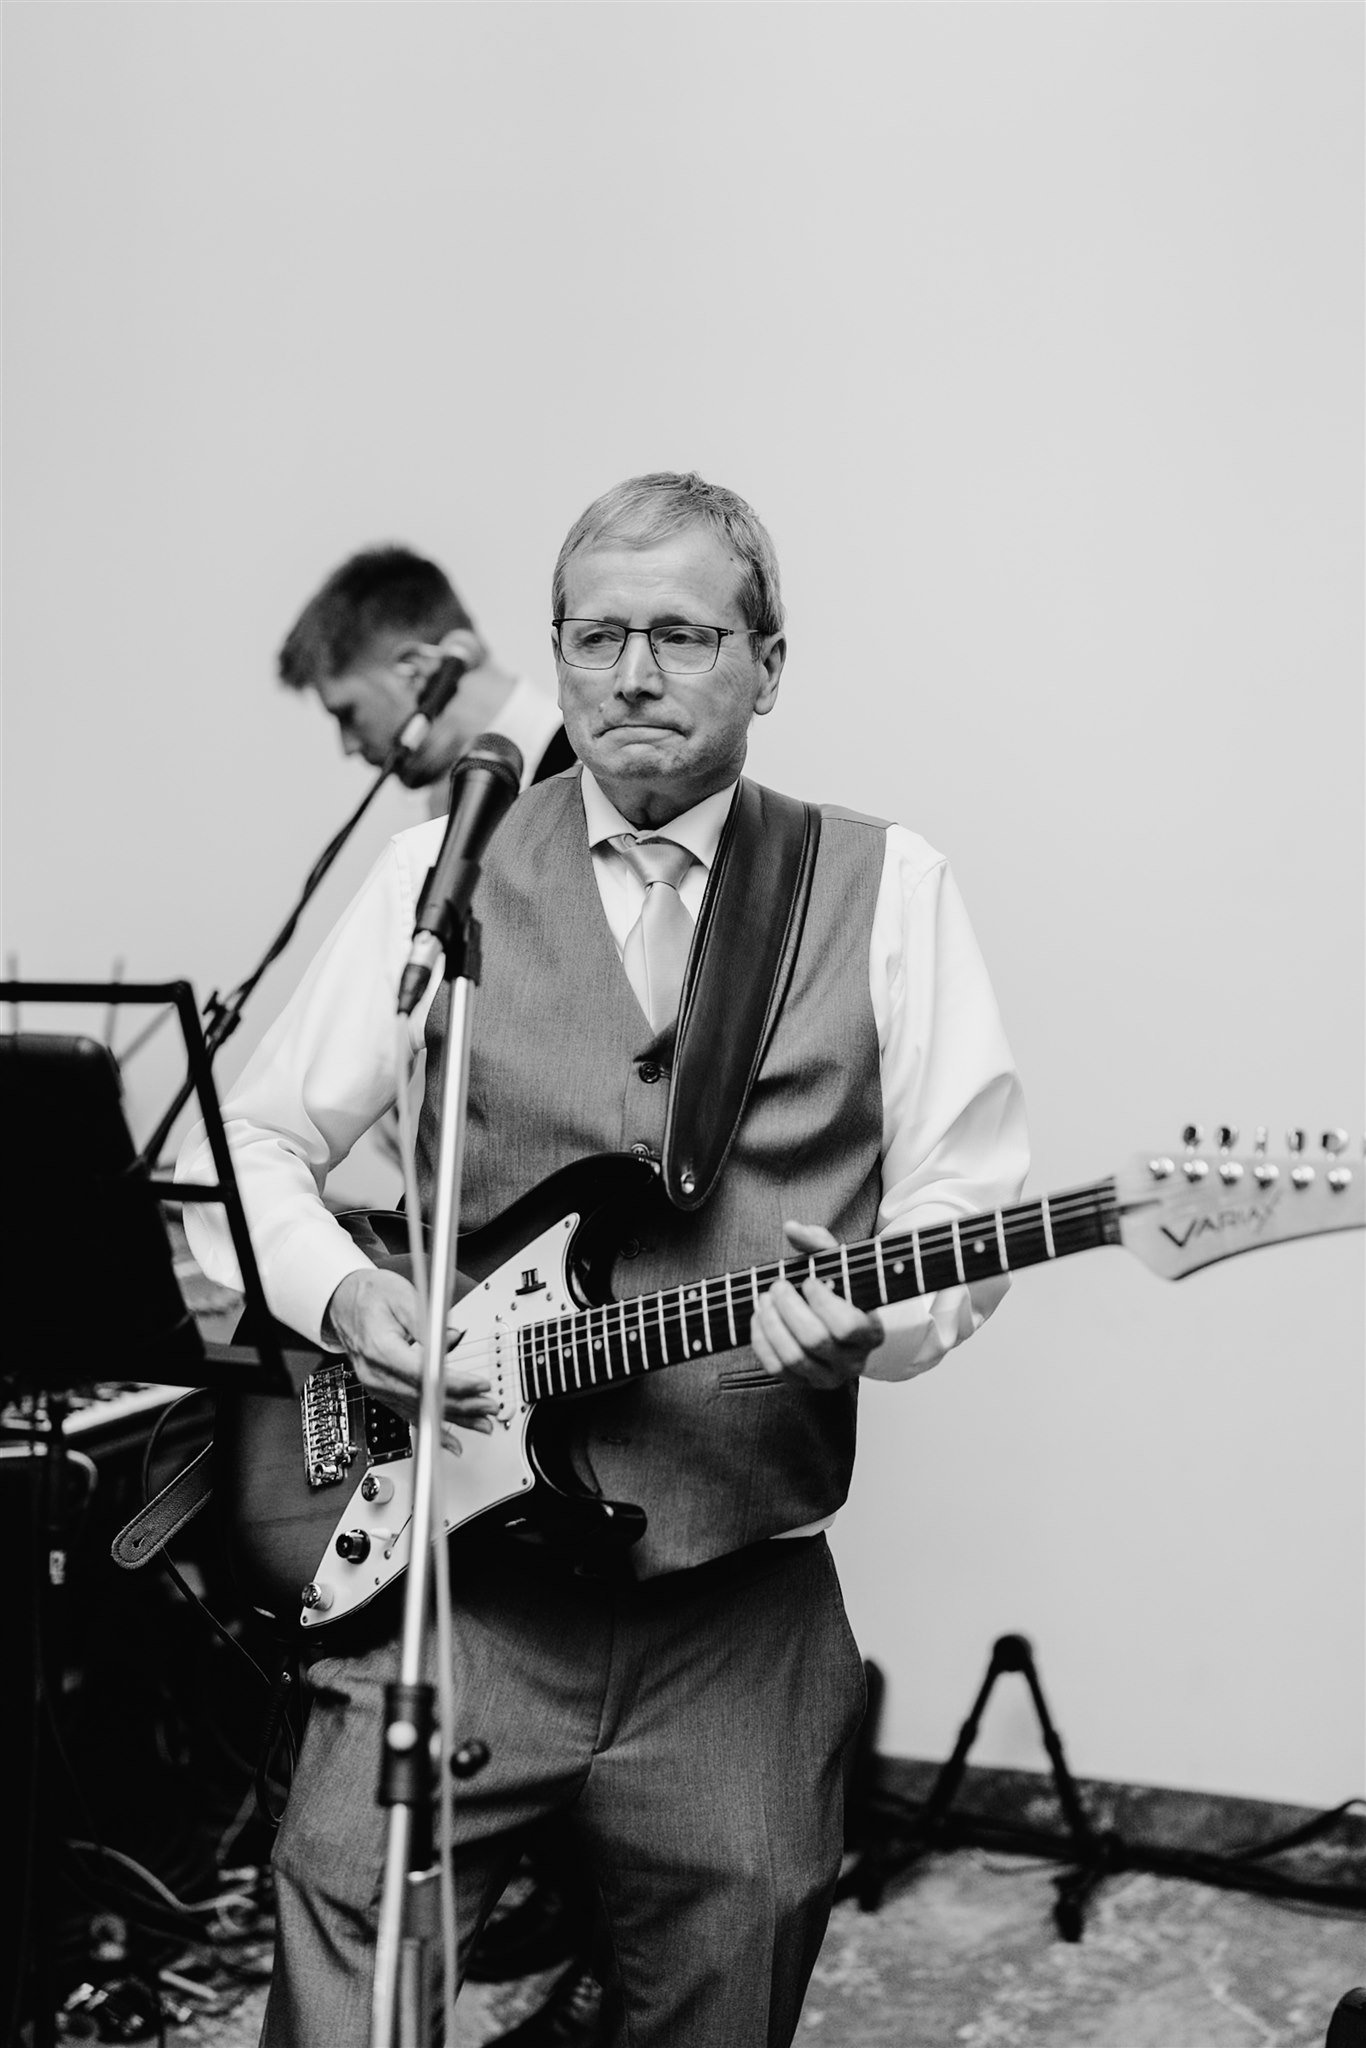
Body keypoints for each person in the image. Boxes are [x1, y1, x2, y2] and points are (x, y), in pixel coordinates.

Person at [179, 472, 1029, 2047]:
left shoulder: (882, 888)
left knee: (726, 1986)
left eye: (684, 635)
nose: (633, 674)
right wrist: (347, 1293)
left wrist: (877, 1327)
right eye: (596, 635)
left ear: (767, 664)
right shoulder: (442, 874)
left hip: (739, 1608)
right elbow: (253, 1145)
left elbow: (963, 1214)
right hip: (460, 1588)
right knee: (344, 1950)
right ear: (553, 656)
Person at [278, 543, 575, 804]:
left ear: (416, 670)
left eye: (347, 714)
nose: (348, 747)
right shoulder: (443, 819)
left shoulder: (591, 775)